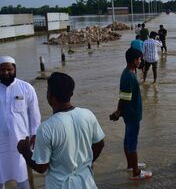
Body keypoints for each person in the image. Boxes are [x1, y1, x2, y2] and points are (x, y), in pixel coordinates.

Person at [17, 72, 105, 189]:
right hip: (86, 181)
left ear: (50, 95)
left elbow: (41, 167)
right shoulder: (88, 115)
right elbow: (100, 144)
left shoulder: (46, 128)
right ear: (71, 93)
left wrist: (25, 151)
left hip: (59, 185)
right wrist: (85, 163)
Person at [110, 48, 152, 180]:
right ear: (134, 60)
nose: (141, 61)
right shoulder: (128, 76)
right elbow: (124, 98)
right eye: (139, 59)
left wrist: (119, 112)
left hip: (129, 114)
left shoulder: (129, 72)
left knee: (128, 139)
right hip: (132, 114)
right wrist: (118, 111)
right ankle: (136, 172)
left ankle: (130, 165)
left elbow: (124, 97)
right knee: (132, 142)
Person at [0, 56, 41, 189]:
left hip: (21, 142)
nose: (6, 72)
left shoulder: (26, 88)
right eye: (2, 70)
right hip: (0, 143)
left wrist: (34, 134)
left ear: (15, 69)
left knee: (23, 177)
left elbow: (34, 114)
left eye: (9, 69)